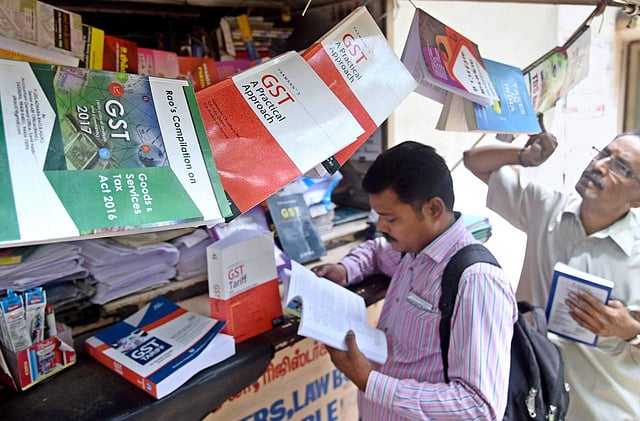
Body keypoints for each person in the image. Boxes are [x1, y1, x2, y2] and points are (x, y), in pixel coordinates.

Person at [312, 141, 517, 420]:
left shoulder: (476, 282)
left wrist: (371, 381)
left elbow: (478, 407)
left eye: (391, 218)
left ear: (433, 209)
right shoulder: (412, 249)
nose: (381, 227)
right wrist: (346, 269)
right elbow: (375, 251)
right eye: (378, 216)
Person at [462, 130, 640, 420]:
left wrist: (629, 330)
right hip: (531, 398)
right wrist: (523, 156)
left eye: (620, 167)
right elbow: (474, 161)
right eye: (603, 153)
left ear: (637, 198)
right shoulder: (548, 207)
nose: (599, 165)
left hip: (600, 408)